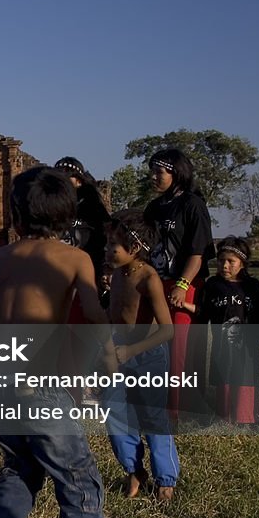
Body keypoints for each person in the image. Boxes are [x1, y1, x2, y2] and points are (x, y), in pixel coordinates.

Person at [0, 166, 112, 518]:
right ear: (66, 214)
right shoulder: (76, 258)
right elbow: (94, 314)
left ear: (17, 214)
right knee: (78, 479)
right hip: (39, 389)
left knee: (21, 466)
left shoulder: (3, 255)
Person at [103, 209, 177, 501]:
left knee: (153, 419)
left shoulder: (149, 279)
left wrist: (131, 350)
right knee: (115, 414)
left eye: (113, 246)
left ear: (134, 249)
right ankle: (135, 470)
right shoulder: (119, 274)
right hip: (118, 357)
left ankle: (165, 479)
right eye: (107, 244)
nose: (107, 250)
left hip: (148, 358)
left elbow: (167, 330)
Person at [143, 148, 214, 421]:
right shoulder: (154, 208)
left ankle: (181, 409)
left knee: (181, 349)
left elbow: (199, 252)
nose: (153, 177)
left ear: (176, 173)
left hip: (185, 285)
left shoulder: (193, 205)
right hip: (157, 282)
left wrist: (182, 285)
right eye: (152, 171)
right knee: (155, 347)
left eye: (159, 172)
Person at [179, 236, 259, 424]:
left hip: (247, 349)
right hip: (222, 346)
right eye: (220, 260)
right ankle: (225, 416)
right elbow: (203, 311)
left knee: (245, 377)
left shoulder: (253, 287)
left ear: (242, 263)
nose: (224, 265)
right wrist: (184, 304)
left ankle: (245, 418)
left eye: (230, 261)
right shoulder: (213, 285)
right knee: (225, 375)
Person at [54, 157, 110, 272]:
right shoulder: (52, 207)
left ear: (79, 181)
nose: (61, 181)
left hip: (87, 269)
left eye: (66, 176)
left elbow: (106, 238)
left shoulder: (92, 208)